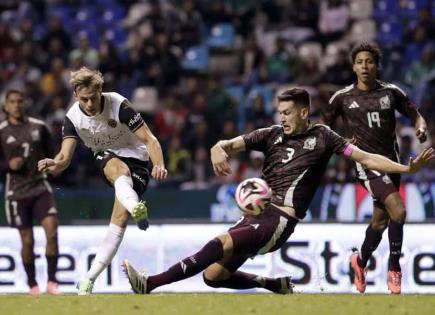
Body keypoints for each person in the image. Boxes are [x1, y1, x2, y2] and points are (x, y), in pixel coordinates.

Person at [122, 88, 433, 294]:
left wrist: (405, 170)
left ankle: (150, 283)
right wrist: (219, 147)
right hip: (256, 216)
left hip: (280, 219)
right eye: (279, 112)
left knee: (219, 243)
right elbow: (231, 143)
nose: (281, 117)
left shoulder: (323, 137)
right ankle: (273, 285)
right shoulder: (270, 135)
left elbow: (365, 157)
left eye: (287, 112)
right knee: (212, 277)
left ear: (303, 112)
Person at [37, 67, 168, 295]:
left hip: (138, 159)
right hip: (107, 154)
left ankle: (89, 276)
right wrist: (55, 163)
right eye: (84, 99)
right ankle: (135, 206)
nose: (89, 104)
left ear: (100, 90)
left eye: (93, 98)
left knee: (120, 218)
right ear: (76, 95)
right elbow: (65, 157)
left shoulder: (118, 104)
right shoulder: (72, 118)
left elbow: (149, 138)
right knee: (118, 170)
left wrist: (159, 164)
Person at [321, 42, 429, 294]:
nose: (365, 66)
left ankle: (359, 262)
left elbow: (415, 114)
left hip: (391, 162)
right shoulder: (342, 97)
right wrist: (340, 143)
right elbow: (323, 127)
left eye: (369, 61)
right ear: (353, 67)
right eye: (360, 62)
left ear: (377, 65)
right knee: (399, 212)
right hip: (366, 165)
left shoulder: (391, 92)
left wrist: (420, 126)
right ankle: (394, 268)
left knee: (380, 223)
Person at [0, 89, 60, 295]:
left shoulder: (39, 127)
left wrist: (52, 168)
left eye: (20, 101)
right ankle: (32, 284)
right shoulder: (1, 131)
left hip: (40, 187)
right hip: (16, 193)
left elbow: (52, 154)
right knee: (27, 240)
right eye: (12, 102)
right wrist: (8, 166)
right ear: (6, 106)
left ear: (24, 103)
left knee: (52, 232)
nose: (16, 105)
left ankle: (52, 282)